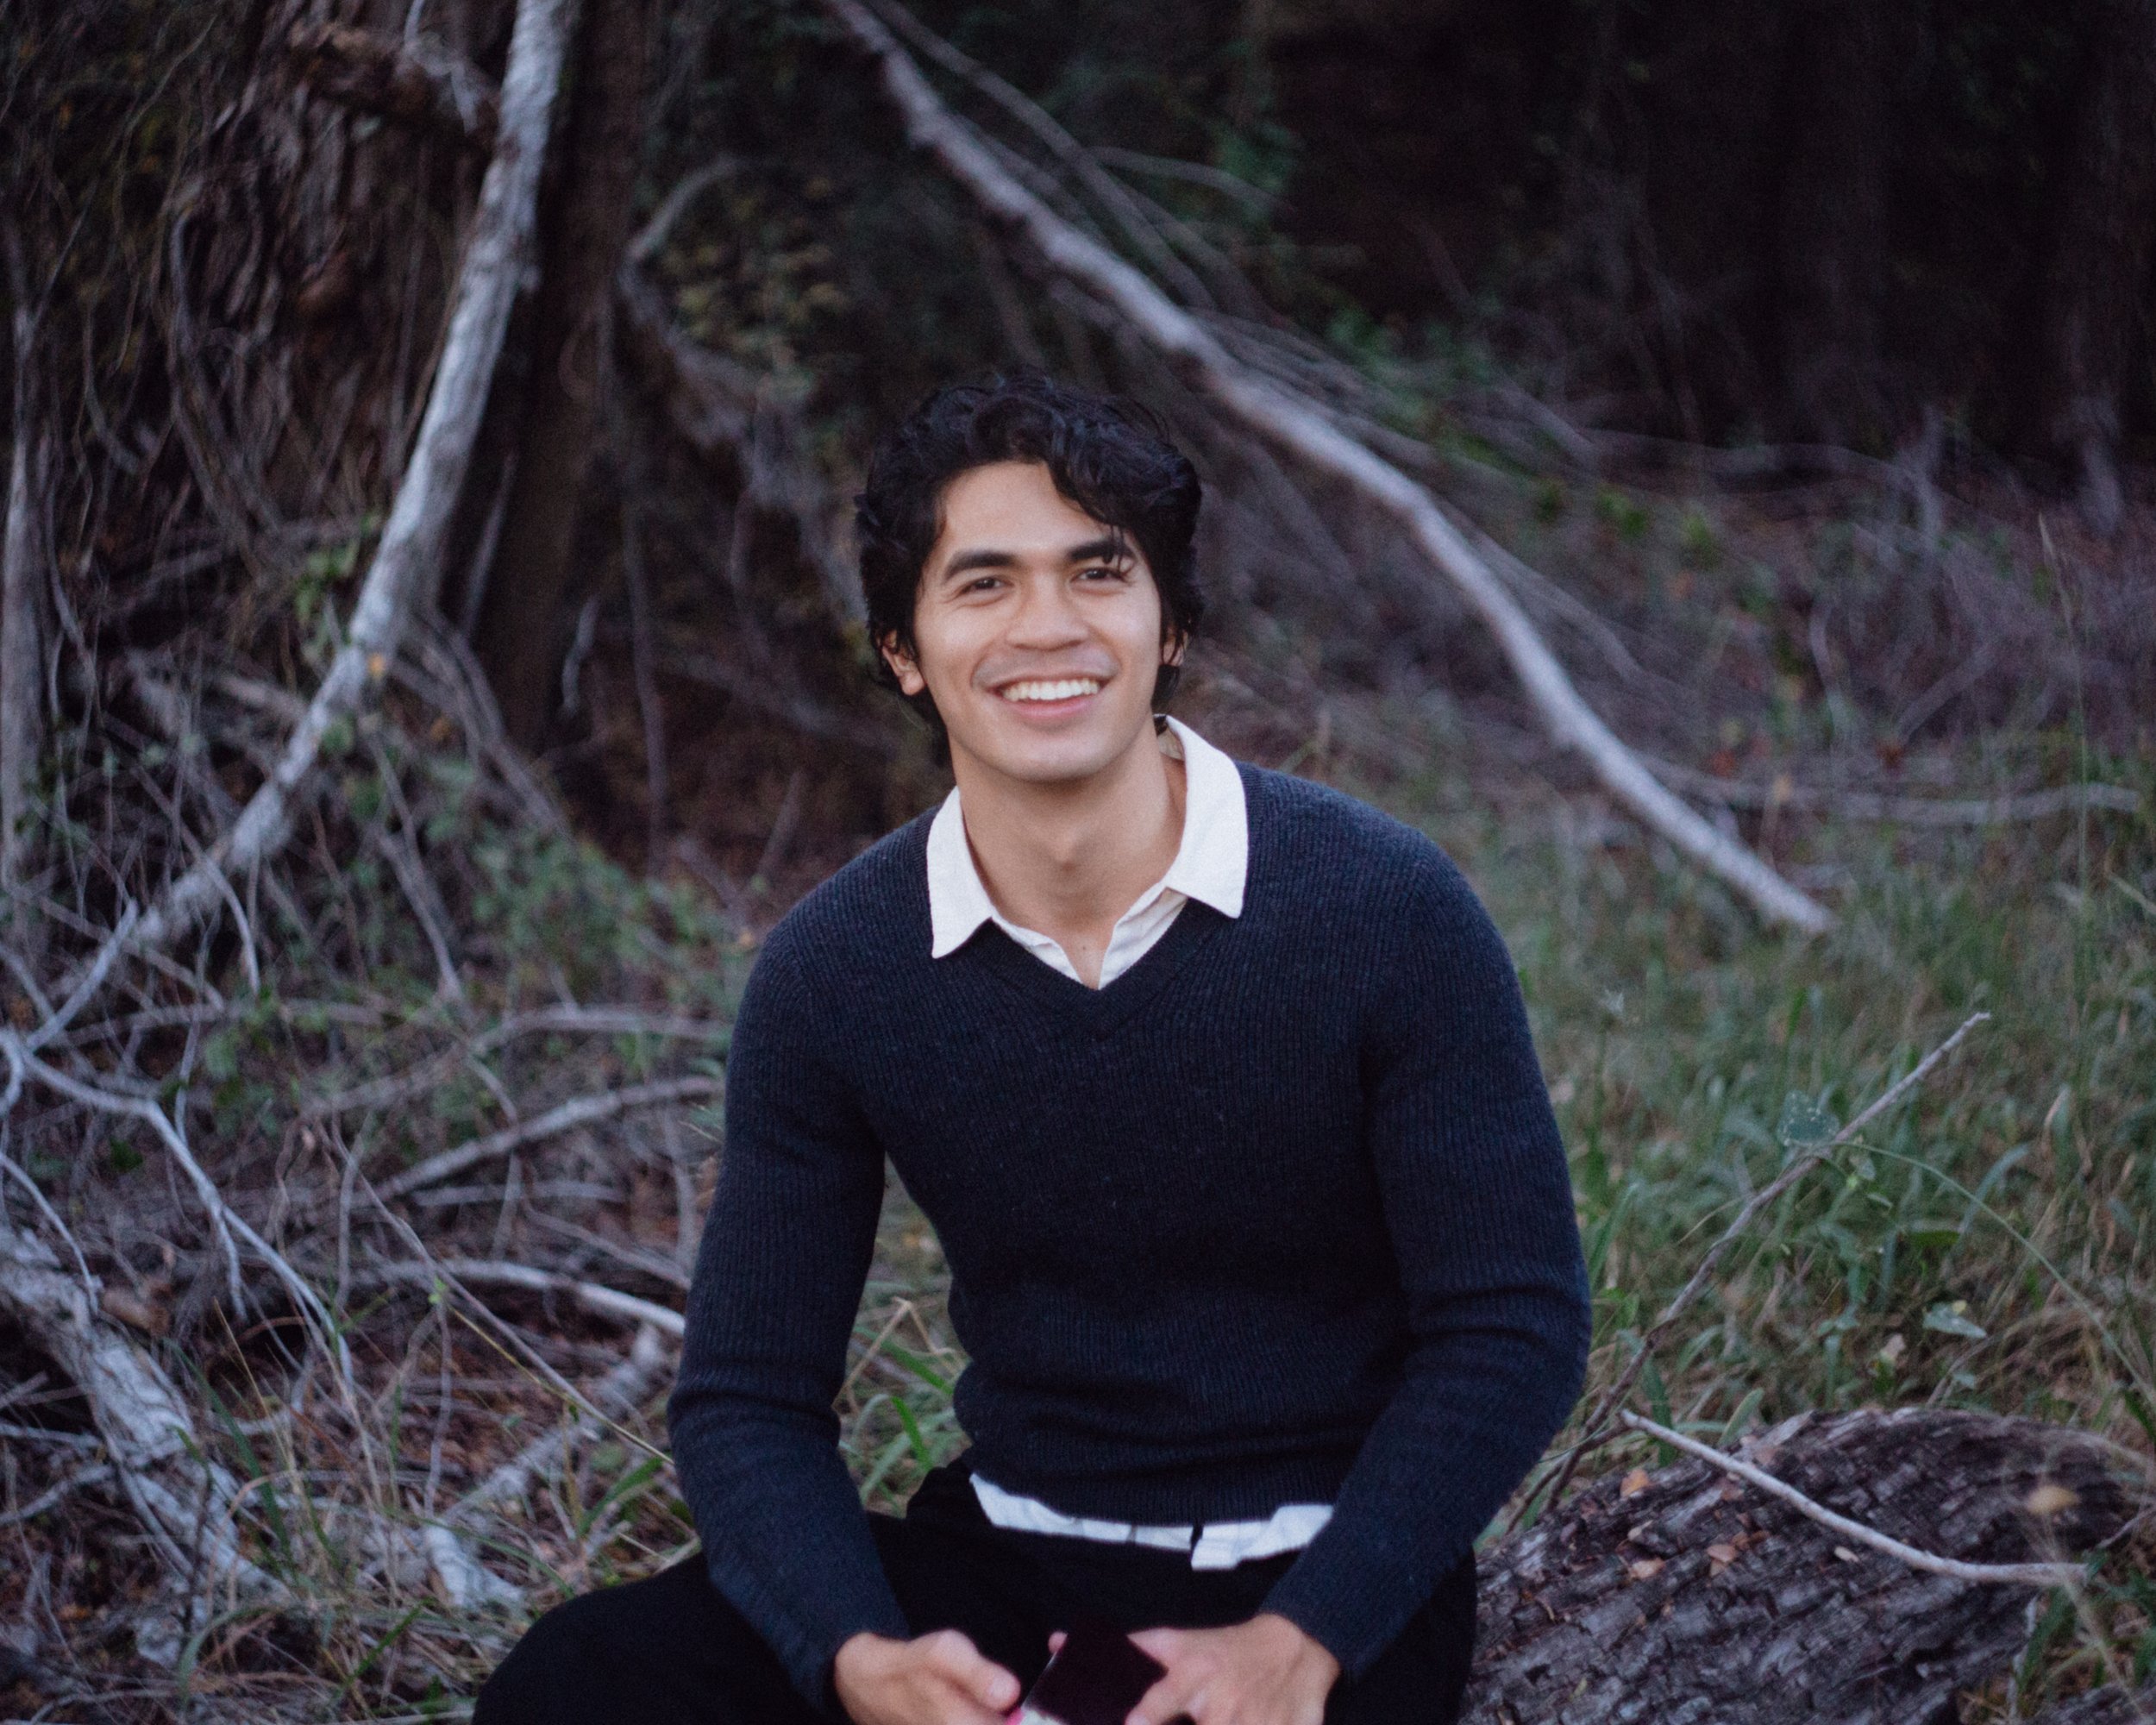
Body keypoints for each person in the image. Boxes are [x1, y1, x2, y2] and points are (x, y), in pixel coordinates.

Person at [475, 373, 1591, 1725]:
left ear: (1169, 624)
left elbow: (1510, 1326)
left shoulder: (1386, 911)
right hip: (1006, 1559)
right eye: (984, 583)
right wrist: (857, 1654)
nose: (1047, 627)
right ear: (903, 647)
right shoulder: (837, 976)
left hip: (1316, 1585)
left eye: (1097, 571)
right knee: (578, 1687)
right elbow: (747, 1398)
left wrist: (1307, 1639)